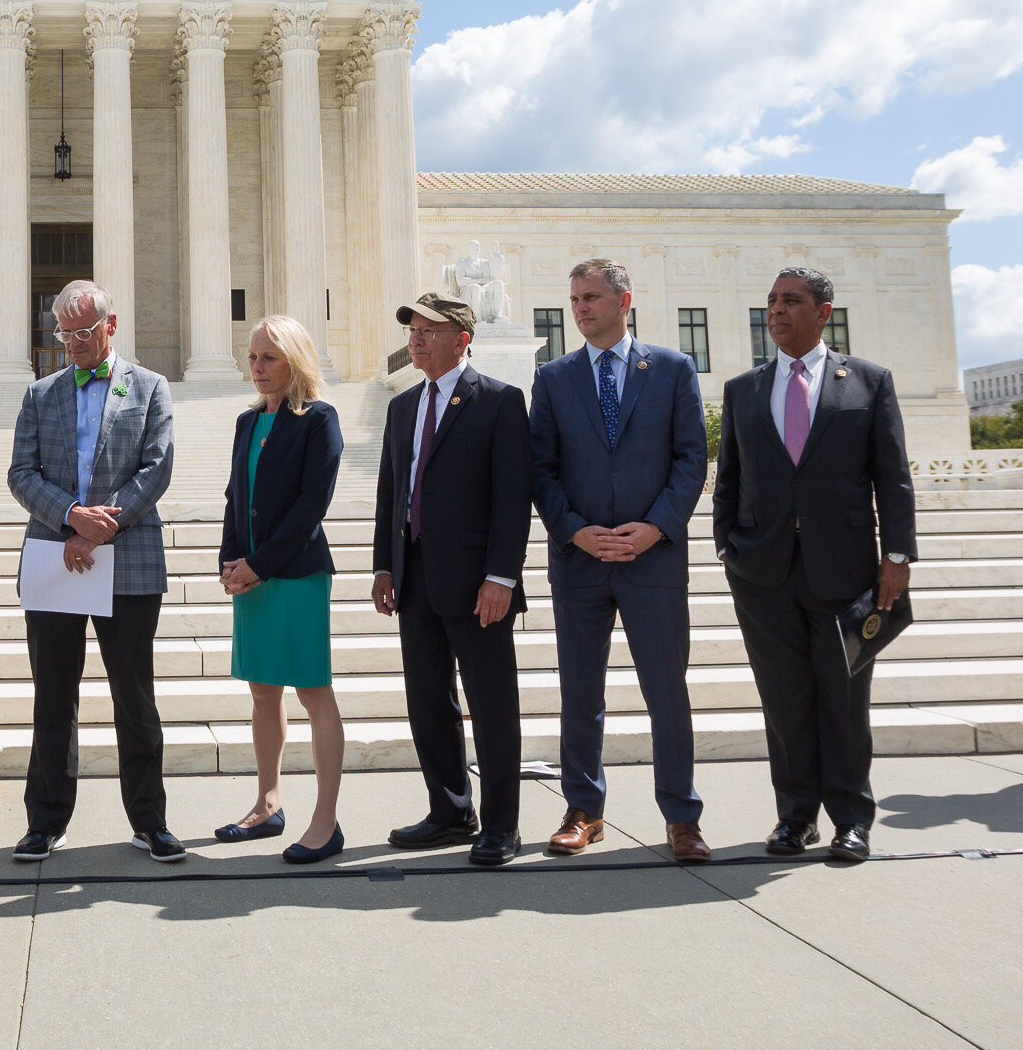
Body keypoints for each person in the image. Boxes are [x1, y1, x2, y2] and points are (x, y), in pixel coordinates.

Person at [714, 267, 914, 864]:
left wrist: (897, 558)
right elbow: (729, 480)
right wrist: (730, 545)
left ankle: (851, 818)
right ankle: (794, 816)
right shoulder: (743, 389)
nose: (776, 310)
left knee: (845, 701)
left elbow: (893, 478)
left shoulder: (869, 382)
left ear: (824, 312)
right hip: (763, 574)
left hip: (846, 572)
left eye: (791, 301)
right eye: (771, 301)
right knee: (784, 700)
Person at [528, 259, 712, 862]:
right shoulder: (553, 378)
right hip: (581, 563)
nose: (579, 308)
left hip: (652, 560)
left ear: (624, 300)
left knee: (666, 691)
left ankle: (682, 819)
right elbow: (541, 470)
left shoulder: (672, 369)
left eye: (590, 297)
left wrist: (656, 528)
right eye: (574, 298)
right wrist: (575, 532)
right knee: (580, 692)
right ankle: (584, 810)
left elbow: (692, 457)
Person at [5, 281, 181, 863]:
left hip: (126, 555)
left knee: (135, 697)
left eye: (83, 332)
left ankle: (150, 820)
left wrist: (102, 526)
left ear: (111, 326)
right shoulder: (39, 394)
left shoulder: (151, 388)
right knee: (53, 696)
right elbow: (21, 475)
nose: (72, 343)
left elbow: (157, 469)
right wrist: (71, 520)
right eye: (64, 332)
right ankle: (45, 822)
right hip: (57, 557)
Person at [373, 291, 534, 868]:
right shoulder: (403, 407)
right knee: (429, 702)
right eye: (412, 329)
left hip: (477, 585)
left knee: (492, 704)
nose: (415, 338)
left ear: (461, 338)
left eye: (428, 330)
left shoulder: (499, 401)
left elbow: (513, 499)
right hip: (414, 578)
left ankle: (501, 825)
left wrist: (501, 576)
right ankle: (449, 811)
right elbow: (391, 492)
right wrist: (384, 564)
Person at [217, 315, 345, 864]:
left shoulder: (319, 419)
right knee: (262, 691)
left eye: (268, 357)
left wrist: (259, 565)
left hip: (294, 575)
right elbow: (233, 497)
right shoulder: (248, 422)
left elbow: (310, 507)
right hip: (251, 575)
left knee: (313, 693)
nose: (258, 368)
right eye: (252, 357)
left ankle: (325, 821)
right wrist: (229, 563)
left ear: (294, 359)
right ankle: (267, 804)